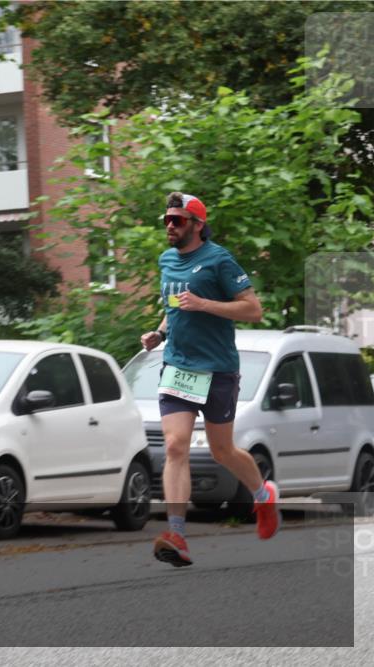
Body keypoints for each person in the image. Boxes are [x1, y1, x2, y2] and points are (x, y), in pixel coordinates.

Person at [139, 192, 279, 567]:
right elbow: (174, 303)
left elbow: (253, 310)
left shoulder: (219, 260)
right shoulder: (167, 260)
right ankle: (176, 534)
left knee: (222, 451)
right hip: (178, 366)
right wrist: (160, 333)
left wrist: (205, 304)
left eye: (178, 220)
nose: (170, 226)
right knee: (175, 446)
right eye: (167, 220)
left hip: (217, 369)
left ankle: (263, 495)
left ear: (198, 225)